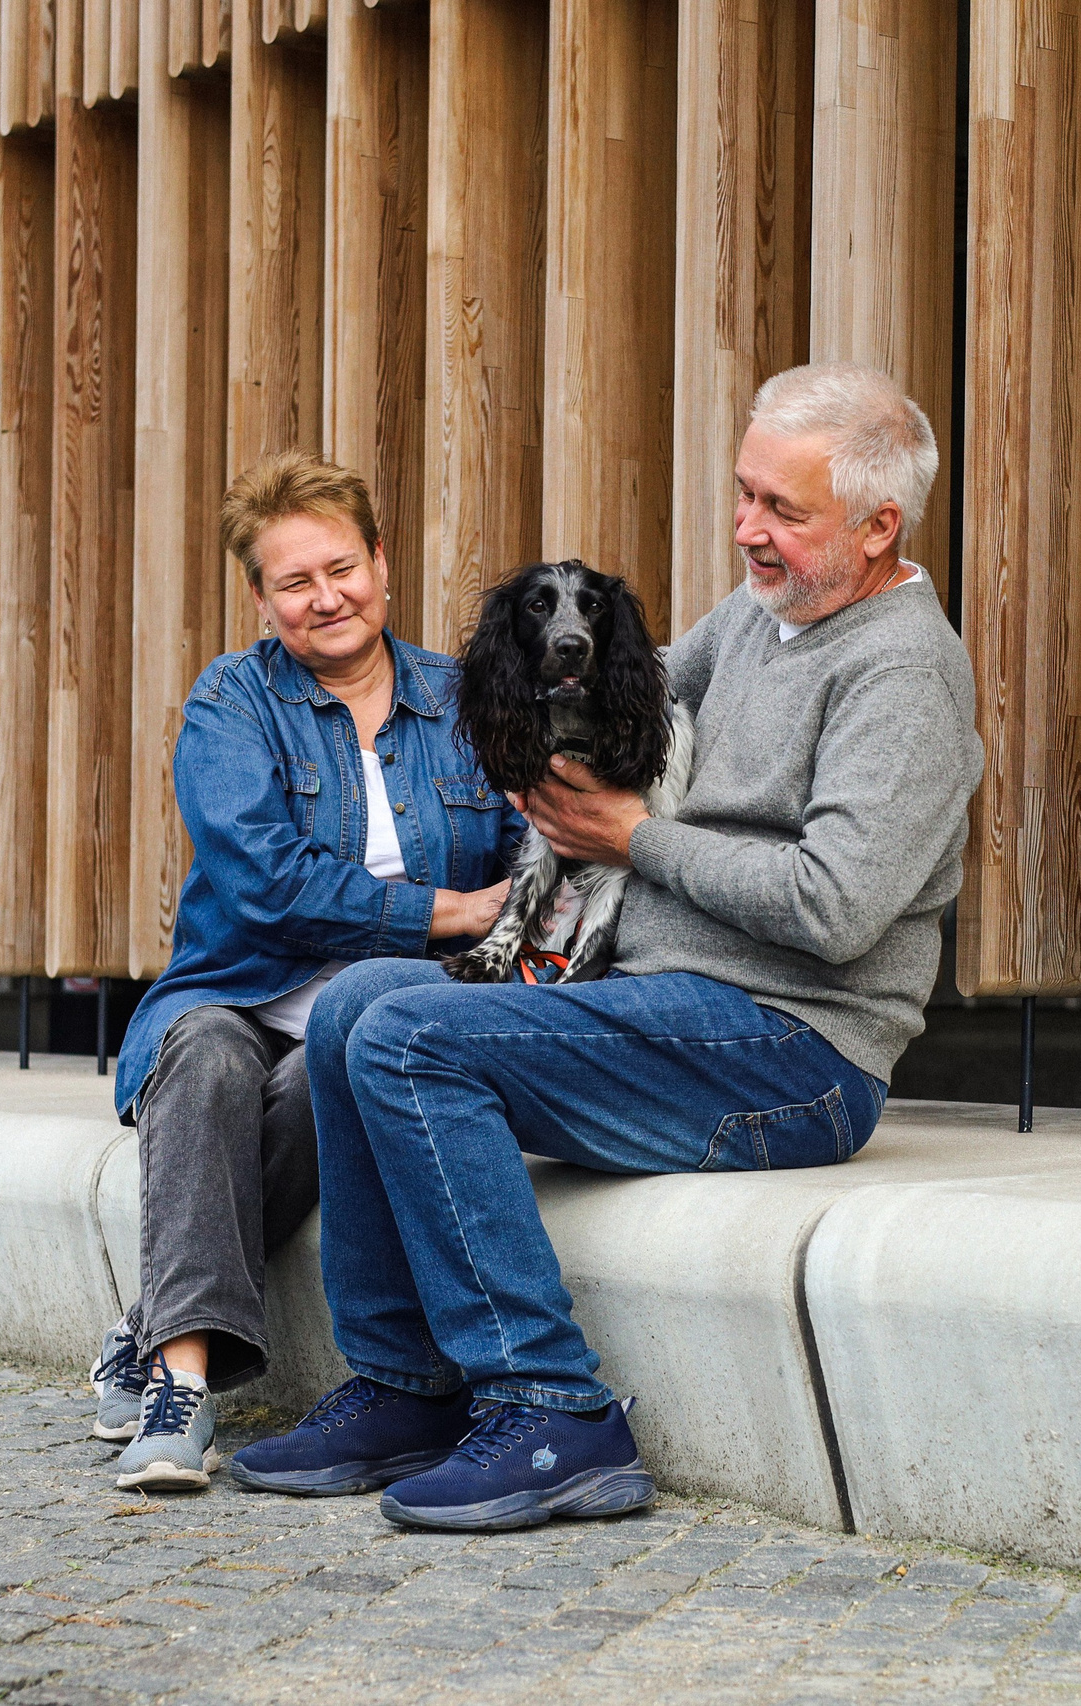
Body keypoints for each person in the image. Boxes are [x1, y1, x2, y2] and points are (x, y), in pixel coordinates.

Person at [230, 363, 983, 1530]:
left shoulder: (903, 672)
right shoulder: (756, 619)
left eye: (783, 510)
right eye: (744, 496)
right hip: (660, 1007)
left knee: (415, 1036)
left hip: (790, 1050)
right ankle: (404, 1384)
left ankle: (554, 1409)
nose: (747, 530)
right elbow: (610, 685)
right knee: (353, 1004)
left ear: (879, 526)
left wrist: (637, 837)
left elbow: (836, 908)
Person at [92, 450, 516, 1490]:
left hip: (391, 1011)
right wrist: (447, 910)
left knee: (342, 1068)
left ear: (382, 560)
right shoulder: (231, 702)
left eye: (342, 567)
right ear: (260, 596)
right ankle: (182, 1388)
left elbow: (529, 843)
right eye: (295, 581)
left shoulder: (465, 701)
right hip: (242, 985)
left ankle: (149, 1330)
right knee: (205, 1059)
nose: (326, 597)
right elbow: (263, 880)